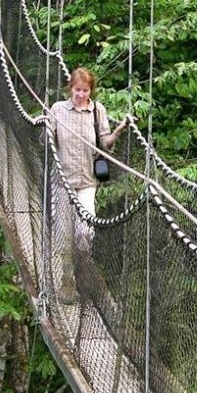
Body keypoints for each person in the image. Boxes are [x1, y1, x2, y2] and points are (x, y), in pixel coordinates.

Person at [47, 67, 130, 303]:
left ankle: (80, 270)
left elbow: (104, 142)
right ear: (70, 88)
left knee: (85, 232)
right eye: (77, 89)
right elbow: (48, 142)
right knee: (64, 235)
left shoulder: (97, 111)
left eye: (85, 90)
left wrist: (118, 131)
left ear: (90, 90)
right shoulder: (58, 110)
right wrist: (45, 127)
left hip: (86, 181)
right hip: (62, 181)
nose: (81, 95)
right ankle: (66, 281)